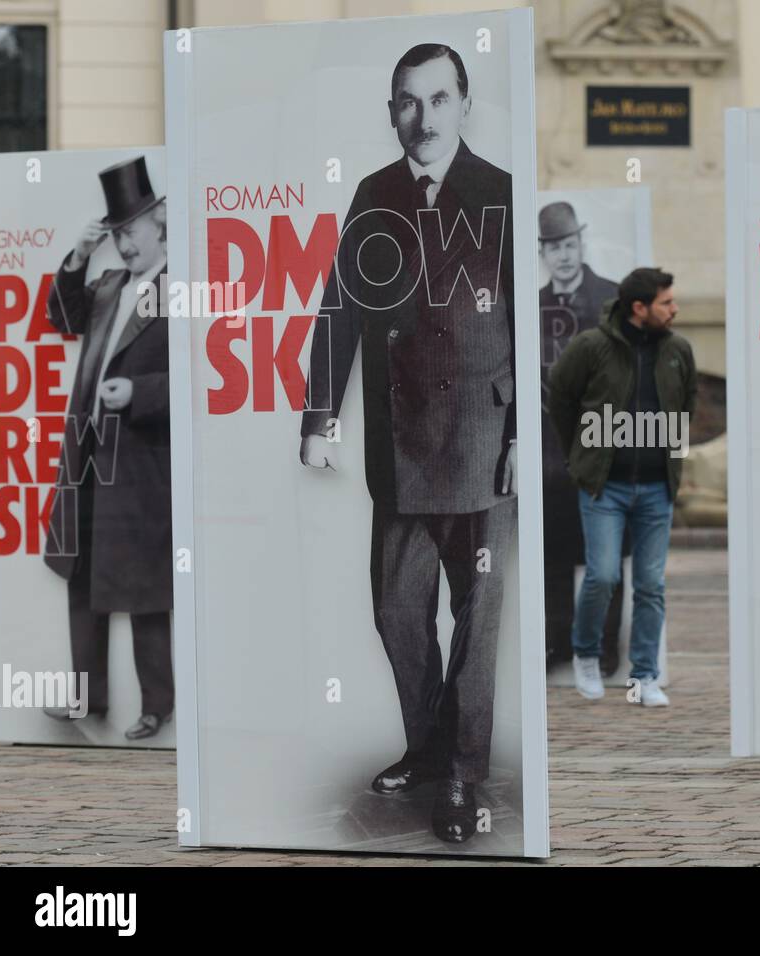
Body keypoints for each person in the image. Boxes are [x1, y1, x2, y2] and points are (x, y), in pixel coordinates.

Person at [299, 43, 516, 845]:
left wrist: (526, 431)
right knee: (397, 612)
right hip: (401, 444)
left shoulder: (500, 191)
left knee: (479, 618)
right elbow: (339, 313)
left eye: (436, 99)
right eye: (406, 102)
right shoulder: (374, 194)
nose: (421, 119)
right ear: (391, 110)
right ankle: (428, 746)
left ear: (465, 104)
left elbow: (535, 331)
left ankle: (461, 774)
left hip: (486, 443)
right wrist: (320, 416)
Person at [42, 156, 174, 742]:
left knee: (144, 588)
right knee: (81, 579)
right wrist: (75, 257)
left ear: (159, 224)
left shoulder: (179, 292)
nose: (123, 243)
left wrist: (138, 393)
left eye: (131, 231)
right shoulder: (108, 286)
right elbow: (61, 315)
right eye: (116, 233)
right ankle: (86, 699)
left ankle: (157, 706)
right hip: (88, 455)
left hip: (141, 462)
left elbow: (196, 383)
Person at [548, 267, 697, 706]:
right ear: (639, 308)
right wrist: (579, 455)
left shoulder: (678, 351)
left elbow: (685, 406)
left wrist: (672, 459)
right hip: (604, 488)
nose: (674, 309)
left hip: (656, 491)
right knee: (603, 575)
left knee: (650, 585)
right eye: (666, 303)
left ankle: (645, 676)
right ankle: (586, 655)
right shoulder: (591, 347)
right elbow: (561, 396)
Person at [537, 201, 624, 675]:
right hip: (551, 453)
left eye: (570, 245)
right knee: (553, 553)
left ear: (581, 244)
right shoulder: (532, 307)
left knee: (604, 556)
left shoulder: (612, 300)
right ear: (543, 254)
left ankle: (604, 646)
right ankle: (558, 642)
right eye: (554, 248)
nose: (564, 256)